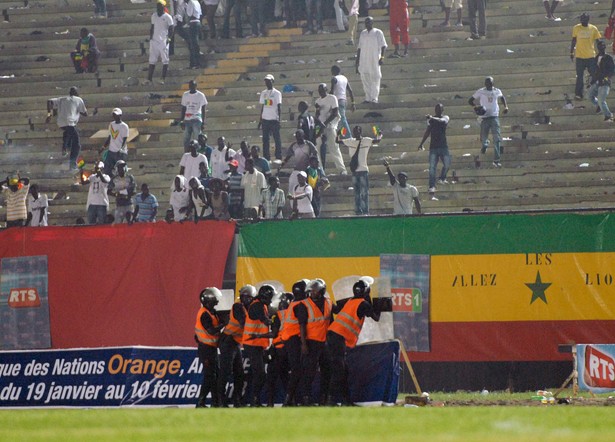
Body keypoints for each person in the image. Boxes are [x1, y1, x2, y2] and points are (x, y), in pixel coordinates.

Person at [326, 277, 381, 405]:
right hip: (338, 337)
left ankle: (346, 401)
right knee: (339, 370)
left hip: (334, 336)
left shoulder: (352, 300)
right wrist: (378, 305)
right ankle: (330, 401)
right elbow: (376, 317)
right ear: (367, 291)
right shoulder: (363, 304)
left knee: (343, 371)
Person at [218, 285, 256, 407]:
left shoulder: (248, 308)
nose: (247, 300)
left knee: (239, 373)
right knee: (226, 371)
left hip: (235, 342)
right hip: (228, 341)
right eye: (245, 297)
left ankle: (237, 400)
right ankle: (220, 400)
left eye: (249, 298)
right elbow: (244, 322)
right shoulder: (238, 307)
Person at [297, 278, 332, 405]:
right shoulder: (304, 304)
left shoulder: (328, 302)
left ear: (322, 291)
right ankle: (306, 398)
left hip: (325, 342)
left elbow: (331, 322)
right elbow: (301, 325)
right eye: (311, 292)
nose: (312, 294)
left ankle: (324, 398)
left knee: (327, 371)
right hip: (311, 342)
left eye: (315, 292)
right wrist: (304, 344)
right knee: (309, 372)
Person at [242, 284, 275, 407]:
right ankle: (254, 401)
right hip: (252, 344)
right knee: (260, 374)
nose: (272, 299)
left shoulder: (262, 305)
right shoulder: (257, 306)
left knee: (257, 374)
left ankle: (252, 399)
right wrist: (276, 320)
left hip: (258, 344)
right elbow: (265, 320)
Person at [339, 125, 382, 215]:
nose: (356, 133)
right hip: (355, 171)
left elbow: (377, 140)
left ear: (360, 131)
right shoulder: (351, 141)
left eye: (357, 131)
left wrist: (379, 134)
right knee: (357, 193)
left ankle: (365, 211)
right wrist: (339, 133)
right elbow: (338, 141)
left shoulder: (366, 140)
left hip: (363, 170)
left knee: (364, 192)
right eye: (354, 131)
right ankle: (358, 211)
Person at [469, 76, 508, 168]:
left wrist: (506, 107)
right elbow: (470, 100)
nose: (487, 85)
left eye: (489, 83)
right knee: (483, 137)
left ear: (492, 83)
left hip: (494, 117)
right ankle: (485, 145)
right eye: (486, 83)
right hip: (484, 117)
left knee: (497, 138)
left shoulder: (497, 91)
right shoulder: (481, 91)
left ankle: (496, 160)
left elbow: (502, 98)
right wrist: (476, 107)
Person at [194, 287, 224, 407]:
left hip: (212, 348)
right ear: (208, 300)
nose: (217, 302)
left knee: (215, 375)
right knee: (209, 376)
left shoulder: (212, 313)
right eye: (215, 300)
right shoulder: (204, 314)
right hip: (205, 349)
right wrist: (223, 324)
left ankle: (215, 402)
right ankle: (200, 402)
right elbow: (211, 330)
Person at [46, 86, 88, 170]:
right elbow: (85, 113)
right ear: (76, 93)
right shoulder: (78, 99)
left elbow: (49, 101)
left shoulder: (62, 99)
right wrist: (78, 111)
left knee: (69, 134)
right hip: (71, 123)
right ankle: (72, 164)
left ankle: (65, 147)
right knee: (77, 145)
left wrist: (49, 114)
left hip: (61, 123)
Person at [418, 103, 451, 195]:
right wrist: (421, 143)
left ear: (442, 110)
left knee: (447, 164)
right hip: (433, 147)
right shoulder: (431, 120)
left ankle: (442, 178)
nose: (438, 110)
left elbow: (442, 121)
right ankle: (431, 186)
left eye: (440, 109)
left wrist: (431, 118)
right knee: (432, 168)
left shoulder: (446, 117)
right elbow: (428, 131)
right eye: (436, 109)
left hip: (443, 145)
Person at [315, 83, 346, 175]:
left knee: (334, 147)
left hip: (330, 125)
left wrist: (325, 123)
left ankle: (342, 169)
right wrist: (317, 110)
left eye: (322, 90)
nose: (321, 92)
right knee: (316, 148)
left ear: (326, 90)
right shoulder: (318, 101)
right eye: (319, 90)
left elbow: (335, 113)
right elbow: (317, 116)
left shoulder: (332, 98)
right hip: (320, 127)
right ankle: (320, 170)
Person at [356, 17, 387, 104]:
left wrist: (382, 57)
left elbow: (383, 46)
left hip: (374, 60)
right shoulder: (363, 33)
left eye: (369, 22)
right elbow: (359, 48)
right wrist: (357, 62)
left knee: (375, 79)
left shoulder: (378, 32)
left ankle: (374, 98)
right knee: (365, 79)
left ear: (372, 22)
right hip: (364, 60)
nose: (367, 23)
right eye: (366, 22)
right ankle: (368, 98)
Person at [571, 13, 601, 100]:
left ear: (588, 19)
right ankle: (579, 94)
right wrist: (571, 52)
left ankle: (595, 92)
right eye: (581, 18)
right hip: (580, 56)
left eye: (584, 18)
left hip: (591, 56)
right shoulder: (576, 28)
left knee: (594, 75)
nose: (582, 20)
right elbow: (574, 40)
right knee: (579, 76)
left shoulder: (593, 28)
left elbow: (598, 41)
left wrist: (601, 53)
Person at [281, 129, 319, 194]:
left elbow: (315, 154)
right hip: (297, 170)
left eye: (300, 136)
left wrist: (314, 165)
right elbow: (288, 156)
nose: (298, 137)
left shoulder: (309, 144)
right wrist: (282, 164)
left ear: (303, 135)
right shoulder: (294, 145)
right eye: (297, 136)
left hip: (308, 170)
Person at [147, 1, 175, 84]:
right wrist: (151, 38)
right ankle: (149, 79)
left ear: (163, 7)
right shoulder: (154, 16)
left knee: (165, 60)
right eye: (157, 6)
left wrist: (169, 39)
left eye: (159, 6)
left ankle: (162, 78)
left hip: (163, 40)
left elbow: (171, 29)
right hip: (154, 41)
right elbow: (152, 27)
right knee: (152, 60)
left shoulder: (168, 17)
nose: (158, 8)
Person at [588, 40, 615, 122]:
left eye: (603, 46)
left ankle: (608, 115)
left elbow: (612, 70)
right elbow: (593, 69)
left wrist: (607, 78)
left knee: (601, 100)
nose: (601, 47)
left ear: (605, 47)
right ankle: (599, 106)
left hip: (605, 82)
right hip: (597, 81)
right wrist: (593, 79)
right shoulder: (596, 58)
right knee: (590, 96)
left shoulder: (609, 58)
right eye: (600, 46)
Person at [258, 74, 283, 160]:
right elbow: (263, 107)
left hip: (273, 119)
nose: (267, 82)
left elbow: (279, 107)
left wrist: (279, 120)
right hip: (265, 119)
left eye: (269, 81)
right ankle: (266, 157)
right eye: (266, 81)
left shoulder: (277, 93)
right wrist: (260, 120)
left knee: (277, 139)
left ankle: (278, 156)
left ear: (272, 81)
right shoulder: (263, 93)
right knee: (265, 140)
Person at [180, 80, 208, 152]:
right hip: (187, 119)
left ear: (196, 86)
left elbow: (203, 109)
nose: (191, 87)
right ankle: (186, 154)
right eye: (190, 86)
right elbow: (183, 108)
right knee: (186, 139)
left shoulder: (201, 95)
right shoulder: (185, 95)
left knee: (197, 138)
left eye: (193, 86)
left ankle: (198, 152)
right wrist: (181, 120)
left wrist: (203, 122)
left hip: (197, 119)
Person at [331, 65, 356, 141]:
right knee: (339, 120)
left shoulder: (334, 79)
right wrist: (353, 103)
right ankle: (341, 135)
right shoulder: (344, 78)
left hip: (337, 100)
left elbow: (332, 91)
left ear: (333, 71)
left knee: (342, 119)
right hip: (344, 100)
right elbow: (350, 91)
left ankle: (349, 136)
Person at [103, 108, 129, 176]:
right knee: (107, 169)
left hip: (120, 152)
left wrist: (121, 149)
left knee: (120, 170)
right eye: (114, 115)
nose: (115, 116)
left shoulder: (124, 126)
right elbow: (110, 137)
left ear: (120, 115)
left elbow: (125, 139)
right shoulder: (111, 124)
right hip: (111, 151)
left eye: (116, 115)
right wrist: (103, 147)